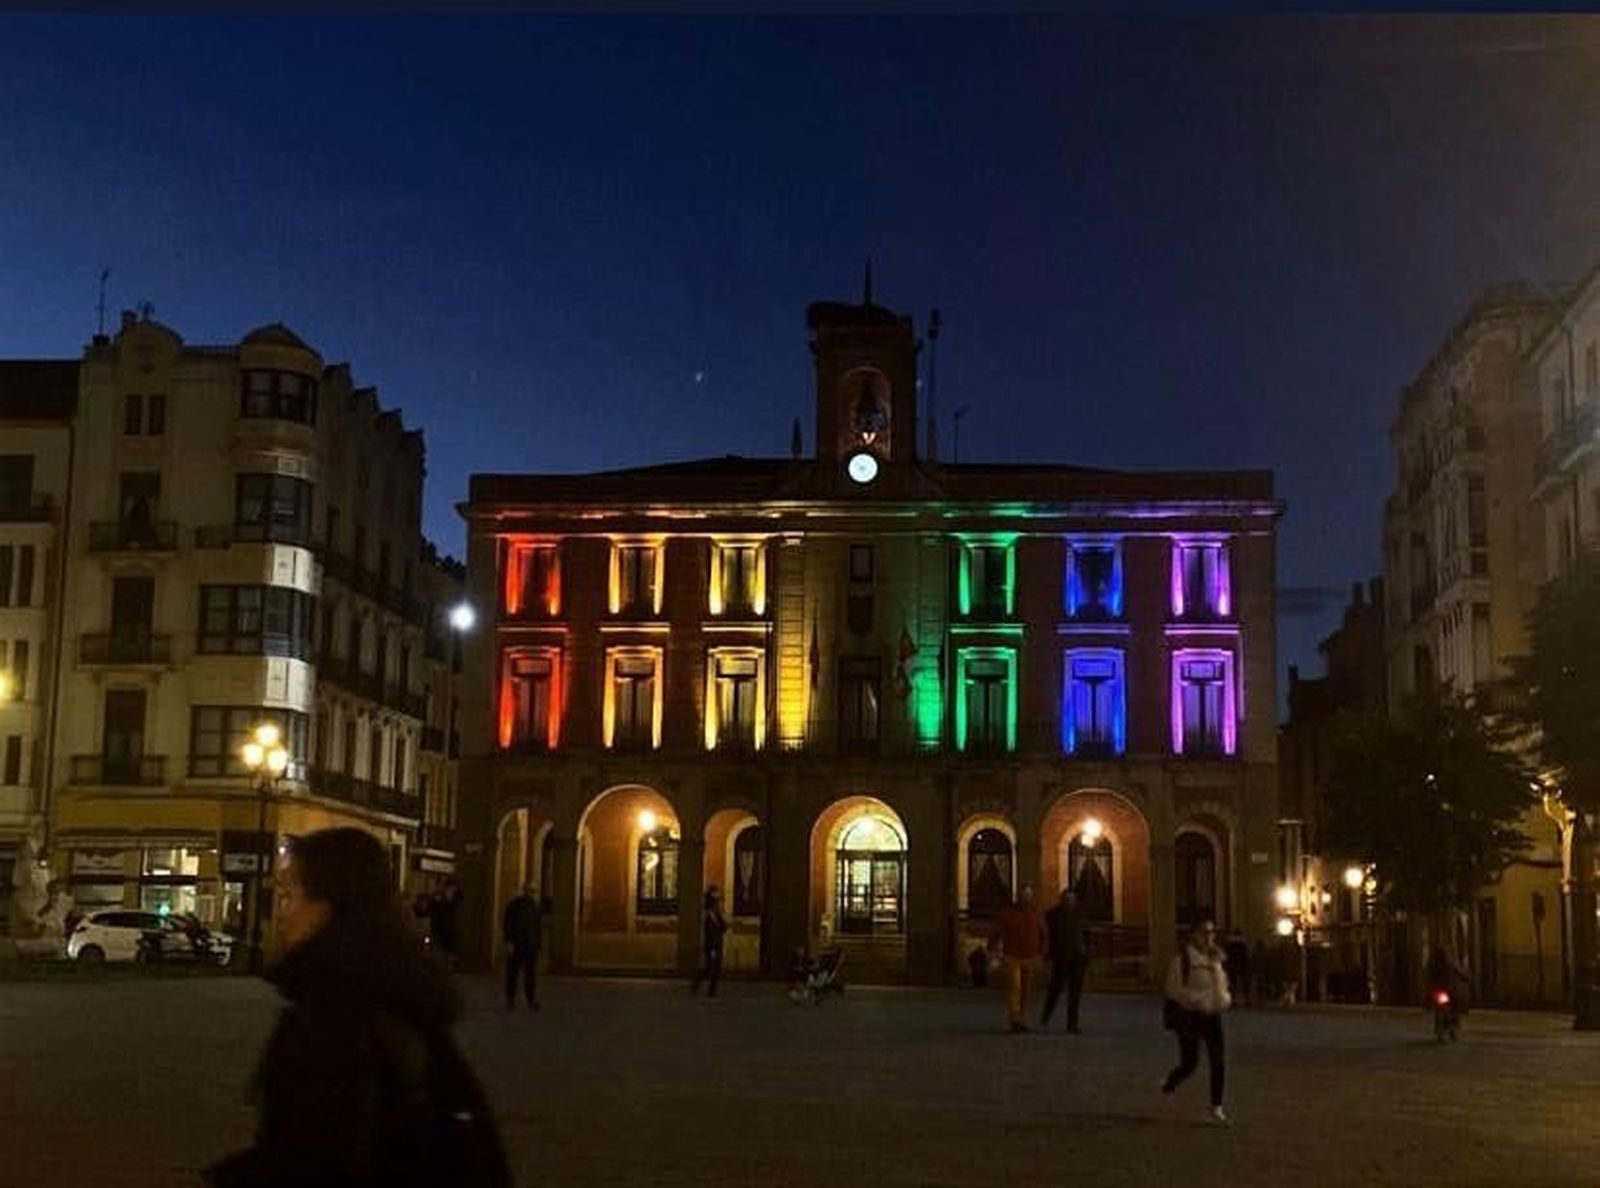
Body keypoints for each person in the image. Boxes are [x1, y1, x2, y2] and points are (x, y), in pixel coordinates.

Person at [205, 827, 510, 1188]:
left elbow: (322, 1157)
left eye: (290, 895)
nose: (281, 912)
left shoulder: (336, 1015)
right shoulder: (403, 995)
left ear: (328, 906)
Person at [1160, 920, 1233, 1125]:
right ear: (1194, 935)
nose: (1209, 936)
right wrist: (1196, 1000)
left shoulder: (1216, 959)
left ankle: (1216, 1106)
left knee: (1218, 1061)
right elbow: (1173, 989)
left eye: (1212, 932)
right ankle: (1171, 1080)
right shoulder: (1182, 960)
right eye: (1205, 932)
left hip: (1213, 1015)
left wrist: (1223, 998)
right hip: (1190, 1015)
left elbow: (1222, 984)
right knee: (1190, 1062)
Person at [989, 884, 1048, 1033]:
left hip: (1030, 956)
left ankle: (1023, 1018)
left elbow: (1044, 935)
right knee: (1015, 987)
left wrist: (1042, 953)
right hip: (1012, 956)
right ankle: (1015, 1018)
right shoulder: (1008, 914)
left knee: (1026, 990)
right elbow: (997, 932)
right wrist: (993, 950)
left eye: (1029, 894)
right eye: (1024, 894)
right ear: (1019, 896)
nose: (1026, 897)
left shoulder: (1036, 914)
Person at [1041, 888, 1090, 1032]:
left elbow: (1087, 935)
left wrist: (1086, 953)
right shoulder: (1052, 915)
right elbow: (1047, 936)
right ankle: (1046, 1015)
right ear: (1062, 900)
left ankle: (1072, 1024)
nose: (1069, 901)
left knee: (1075, 993)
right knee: (1055, 989)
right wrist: (1047, 955)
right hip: (1060, 957)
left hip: (1078, 958)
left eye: (1072, 899)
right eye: (1067, 899)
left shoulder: (1081, 914)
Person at [502, 882, 544, 1011]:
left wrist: (537, 944)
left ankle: (525, 1001)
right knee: (515, 974)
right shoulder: (518, 905)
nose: (531, 893)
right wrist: (509, 941)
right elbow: (508, 924)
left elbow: (537, 928)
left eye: (533, 891)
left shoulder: (533, 907)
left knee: (525, 975)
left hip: (527, 945)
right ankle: (513, 1001)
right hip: (520, 944)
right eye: (530, 891)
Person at [690, 885, 727, 996]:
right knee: (710, 967)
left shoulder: (716, 914)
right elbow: (709, 932)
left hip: (717, 943)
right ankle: (699, 985)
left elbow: (722, 926)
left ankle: (710, 989)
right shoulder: (708, 915)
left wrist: (724, 926)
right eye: (716, 901)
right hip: (712, 945)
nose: (718, 904)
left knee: (715, 968)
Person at [427, 877, 463, 971]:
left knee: (450, 954)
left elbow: (461, 896)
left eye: (454, 889)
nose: (452, 891)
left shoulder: (456, 899)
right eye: (451, 888)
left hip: (451, 930)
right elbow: (431, 910)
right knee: (440, 955)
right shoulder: (438, 898)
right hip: (439, 930)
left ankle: (449, 969)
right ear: (447, 888)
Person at [1224, 929, 1251, 1008]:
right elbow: (1245, 956)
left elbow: (1227, 956)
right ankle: (1247, 999)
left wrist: (1227, 965)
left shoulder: (1230, 945)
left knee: (1233, 984)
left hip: (1232, 965)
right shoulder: (1243, 944)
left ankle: (1232, 1000)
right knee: (1244, 984)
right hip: (1241, 965)